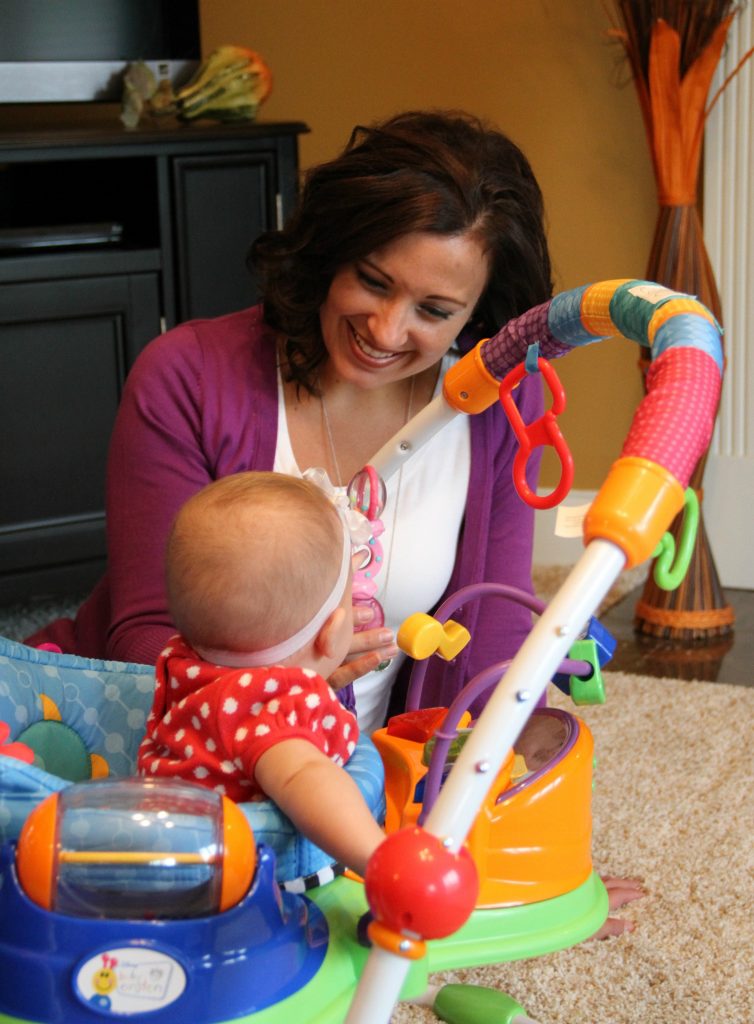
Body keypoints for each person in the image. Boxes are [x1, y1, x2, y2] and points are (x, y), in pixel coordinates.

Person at [27, 108, 642, 932]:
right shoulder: (187, 377)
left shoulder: (500, 401)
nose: (386, 330)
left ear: (479, 316)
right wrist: (286, 693)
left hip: (359, 782)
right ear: (331, 250)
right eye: (374, 281)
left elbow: (490, 636)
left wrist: (519, 857)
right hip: (181, 742)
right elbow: (148, 635)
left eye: (434, 310)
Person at [137, 471, 385, 879]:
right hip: (246, 881)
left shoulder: (183, 661)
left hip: (167, 856)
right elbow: (308, 778)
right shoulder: (273, 709)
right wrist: (381, 861)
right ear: (332, 632)